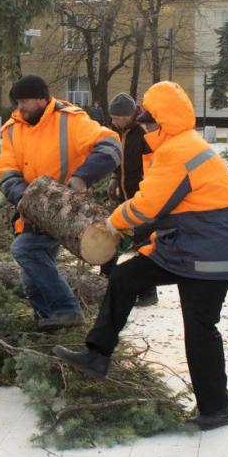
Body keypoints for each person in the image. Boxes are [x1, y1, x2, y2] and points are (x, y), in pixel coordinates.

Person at [53, 81, 228, 431]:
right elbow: (178, 211)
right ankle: (97, 355)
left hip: (209, 255)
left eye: (148, 120)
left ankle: (216, 410)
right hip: (191, 245)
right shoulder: (178, 145)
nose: (143, 126)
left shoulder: (179, 150)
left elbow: (148, 205)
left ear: (163, 120)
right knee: (126, 278)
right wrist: (148, 245)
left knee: (200, 329)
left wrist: (112, 224)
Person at [0, 75, 121, 331]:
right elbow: (7, 171)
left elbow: (110, 145)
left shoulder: (70, 120)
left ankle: (66, 309)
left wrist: (82, 178)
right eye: (17, 101)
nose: (20, 107)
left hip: (65, 208)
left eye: (25, 101)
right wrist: (24, 197)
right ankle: (48, 323)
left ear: (43, 99)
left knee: (25, 251)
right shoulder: (12, 128)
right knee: (32, 269)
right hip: (30, 209)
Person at [102, 92, 157, 307]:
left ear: (128, 116)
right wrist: (115, 177)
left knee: (142, 243)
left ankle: (148, 292)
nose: (113, 121)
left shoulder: (144, 132)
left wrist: (146, 192)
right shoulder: (118, 131)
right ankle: (104, 281)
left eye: (116, 117)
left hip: (141, 195)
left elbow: (152, 166)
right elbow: (118, 157)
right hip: (122, 194)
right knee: (113, 236)